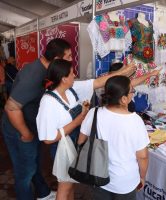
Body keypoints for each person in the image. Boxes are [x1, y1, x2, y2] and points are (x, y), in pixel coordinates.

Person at [1, 38, 134, 200]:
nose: (72, 60)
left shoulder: (64, 86)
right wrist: (26, 133)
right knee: (25, 171)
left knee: (36, 165)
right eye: (69, 56)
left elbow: (96, 83)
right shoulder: (36, 80)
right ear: (58, 62)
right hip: (18, 129)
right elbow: (11, 107)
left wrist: (124, 72)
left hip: (38, 128)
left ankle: (43, 193)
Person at [37, 59, 134, 199]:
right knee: (64, 187)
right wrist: (77, 122)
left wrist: (83, 112)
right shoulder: (48, 101)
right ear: (64, 79)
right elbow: (47, 138)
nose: (74, 75)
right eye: (71, 73)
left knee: (71, 184)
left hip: (75, 143)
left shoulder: (70, 90)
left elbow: (98, 83)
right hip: (62, 147)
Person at [78, 75, 149, 200]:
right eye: (132, 91)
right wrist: (142, 176)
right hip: (125, 181)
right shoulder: (136, 121)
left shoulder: (93, 113)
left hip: (97, 175)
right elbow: (142, 156)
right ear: (123, 99)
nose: (133, 93)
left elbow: (81, 141)